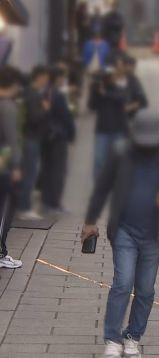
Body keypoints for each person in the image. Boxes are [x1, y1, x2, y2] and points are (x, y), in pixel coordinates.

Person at [80, 110, 159, 358]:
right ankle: (112, 339)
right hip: (124, 230)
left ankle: (132, 336)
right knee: (123, 283)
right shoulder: (120, 152)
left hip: (155, 233)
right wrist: (90, 220)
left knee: (145, 289)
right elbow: (102, 187)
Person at [88, 61, 145, 179]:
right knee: (99, 159)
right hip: (102, 130)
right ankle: (99, 184)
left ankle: (119, 181)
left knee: (120, 158)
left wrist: (105, 94)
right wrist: (94, 92)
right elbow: (91, 106)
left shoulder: (118, 89)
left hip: (118, 129)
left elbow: (122, 99)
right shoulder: (98, 90)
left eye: (110, 77)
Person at [16, 66, 51, 220]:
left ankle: (22, 206)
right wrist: (45, 109)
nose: (47, 81)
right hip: (31, 139)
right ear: (39, 77)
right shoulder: (32, 94)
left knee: (28, 173)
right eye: (46, 77)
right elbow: (34, 118)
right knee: (29, 174)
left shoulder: (30, 93)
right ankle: (24, 208)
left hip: (31, 138)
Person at [39, 67, 75, 215]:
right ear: (57, 78)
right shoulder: (58, 95)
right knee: (58, 171)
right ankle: (55, 204)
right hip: (58, 137)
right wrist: (71, 134)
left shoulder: (44, 92)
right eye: (62, 77)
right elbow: (65, 117)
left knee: (47, 169)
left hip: (45, 136)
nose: (63, 80)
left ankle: (46, 202)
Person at [0, 66, 23, 268]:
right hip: (4, 167)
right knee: (5, 209)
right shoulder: (7, 106)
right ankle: (0, 252)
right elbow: (12, 140)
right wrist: (16, 166)